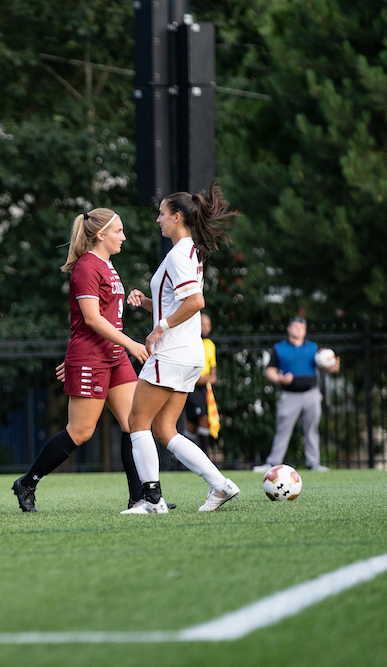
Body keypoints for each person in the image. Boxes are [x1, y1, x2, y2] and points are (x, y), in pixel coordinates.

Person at [10, 208, 149, 513]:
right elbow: (90, 319)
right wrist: (130, 345)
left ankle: (139, 497)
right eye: (118, 231)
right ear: (100, 235)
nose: (123, 237)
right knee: (81, 432)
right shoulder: (86, 267)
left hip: (114, 358)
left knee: (134, 424)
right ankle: (27, 482)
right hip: (94, 358)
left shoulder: (108, 265)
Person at [122, 182, 240, 514]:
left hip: (172, 353)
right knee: (162, 429)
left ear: (176, 217)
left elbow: (196, 301)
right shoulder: (189, 252)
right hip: (189, 355)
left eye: (161, 214)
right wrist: (147, 304)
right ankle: (220, 484)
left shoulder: (178, 255)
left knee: (137, 421)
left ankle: (151, 500)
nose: (158, 219)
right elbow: (178, 304)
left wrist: (160, 328)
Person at [252, 317, 338, 473]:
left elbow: (323, 368)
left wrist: (331, 368)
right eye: (296, 326)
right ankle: (272, 464)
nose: (299, 329)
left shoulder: (314, 348)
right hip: (289, 395)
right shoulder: (279, 348)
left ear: (305, 331)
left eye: (302, 327)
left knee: (312, 429)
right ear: (289, 329)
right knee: (282, 430)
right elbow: (270, 370)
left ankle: (313, 463)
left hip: (312, 393)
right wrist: (279, 379)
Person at [183, 312, 218, 450]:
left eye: (208, 325)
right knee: (203, 419)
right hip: (192, 387)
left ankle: (183, 459)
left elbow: (213, 366)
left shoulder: (210, 344)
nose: (206, 328)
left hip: (205, 389)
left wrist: (212, 376)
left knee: (192, 424)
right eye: (203, 324)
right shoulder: (189, 342)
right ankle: (205, 456)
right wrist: (196, 378)